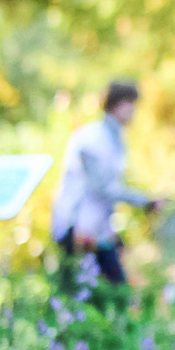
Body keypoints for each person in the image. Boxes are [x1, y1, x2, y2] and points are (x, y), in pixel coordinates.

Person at [51, 80, 157, 288]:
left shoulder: (114, 138)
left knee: (105, 288)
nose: (134, 111)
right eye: (130, 104)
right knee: (95, 288)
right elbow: (101, 188)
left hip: (97, 230)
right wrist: (144, 201)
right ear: (117, 105)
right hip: (79, 228)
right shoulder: (92, 138)